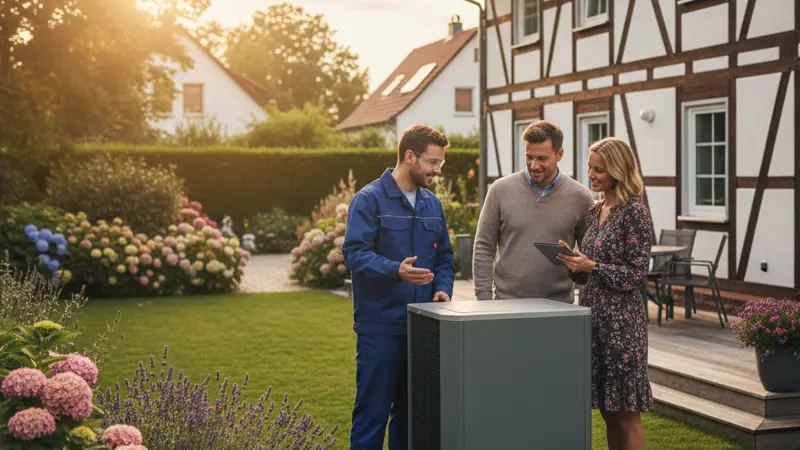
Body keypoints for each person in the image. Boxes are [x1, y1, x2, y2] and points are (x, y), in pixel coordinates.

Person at [342, 124, 455, 450]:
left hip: (422, 327)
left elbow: (445, 258)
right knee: (372, 414)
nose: (437, 170)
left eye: (440, 163)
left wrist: (443, 288)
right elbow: (354, 253)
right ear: (409, 156)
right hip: (380, 327)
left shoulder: (432, 205)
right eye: (432, 162)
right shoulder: (369, 200)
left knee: (412, 417)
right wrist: (396, 270)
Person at [556, 136, 653, 450]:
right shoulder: (595, 211)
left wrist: (593, 266)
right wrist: (574, 264)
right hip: (595, 320)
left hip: (623, 324)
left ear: (618, 170)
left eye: (599, 169)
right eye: (590, 168)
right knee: (609, 412)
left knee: (627, 413)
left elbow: (636, 273)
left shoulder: (634, 212)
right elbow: (589, 274)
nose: (591, 175)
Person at [472, 120, 595, 303]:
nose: (534, 165)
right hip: (506, 304)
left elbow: (589, 256)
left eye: (542, 159)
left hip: (559, 307)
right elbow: (484, 246)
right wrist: (483, 297)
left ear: (559, 154)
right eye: (529, 157)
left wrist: (585, 304)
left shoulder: (581, 197)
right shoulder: (500, 190)